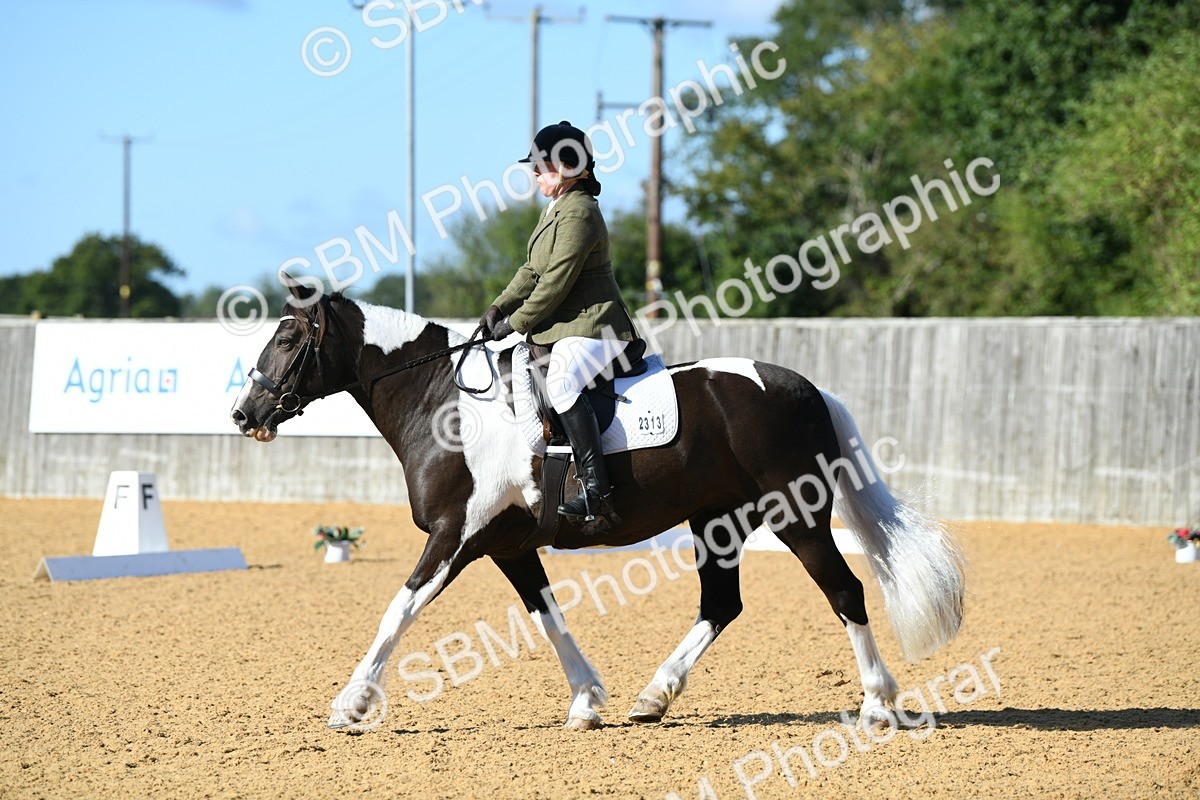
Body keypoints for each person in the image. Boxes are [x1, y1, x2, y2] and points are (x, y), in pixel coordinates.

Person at [479, 120, 639, 524]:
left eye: (541, 166)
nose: (534, 174)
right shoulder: (557, 208)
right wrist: (498, 307)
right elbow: (533, 270)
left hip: (595, 326)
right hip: (565, 327)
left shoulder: (581, 212)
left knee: (563, 382)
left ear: (567, 167)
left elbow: (555, 282)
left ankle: (597, 491)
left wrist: (516, 322)